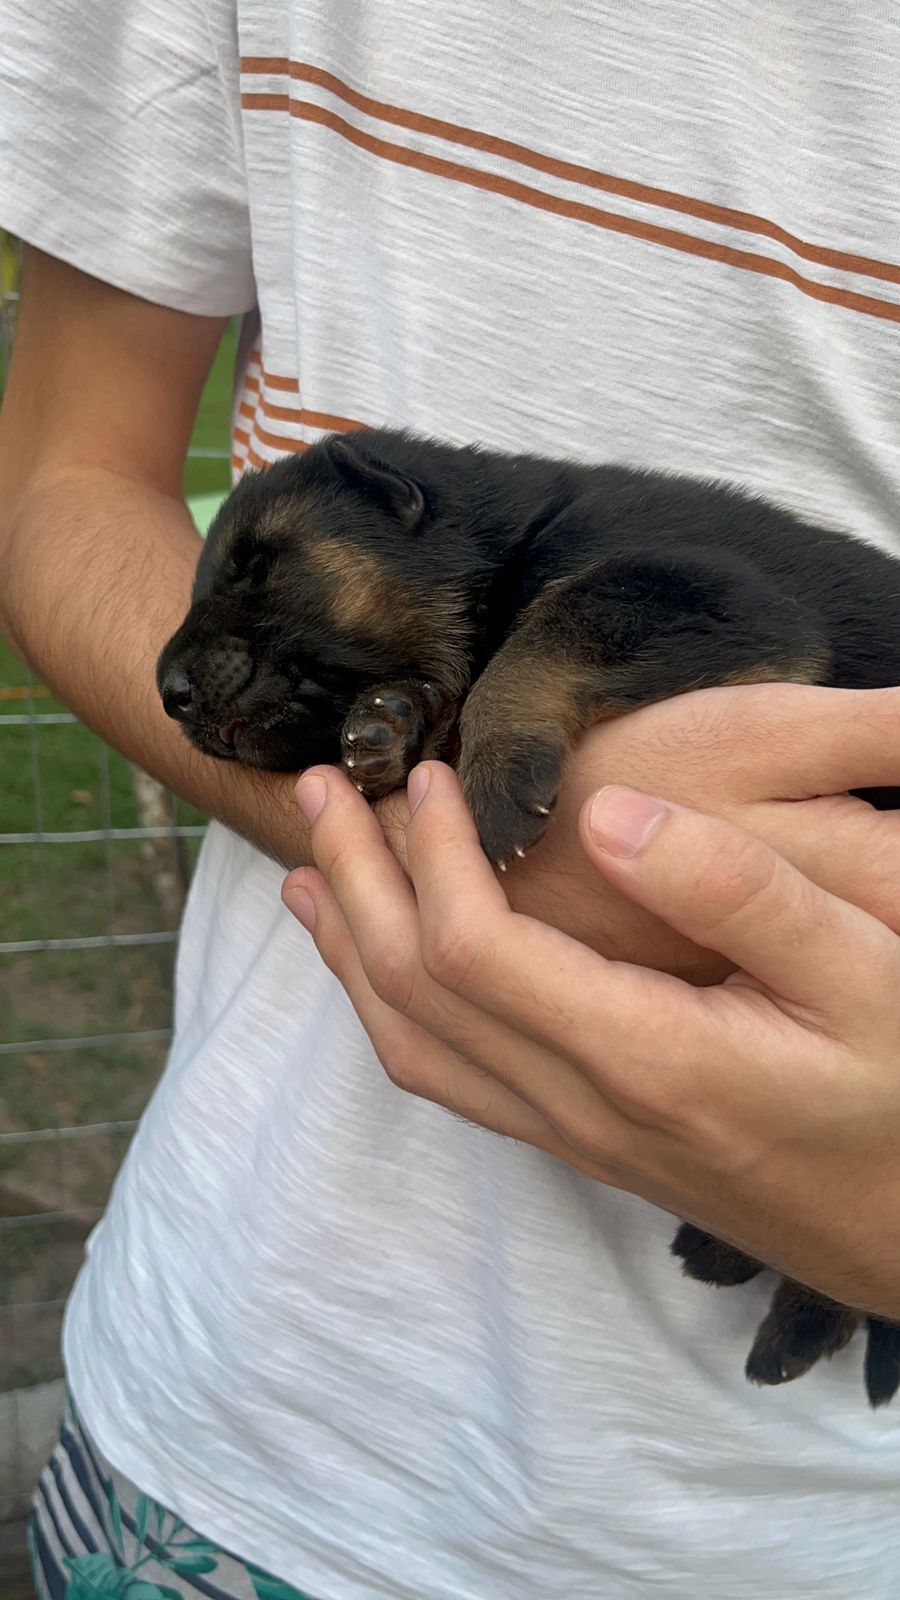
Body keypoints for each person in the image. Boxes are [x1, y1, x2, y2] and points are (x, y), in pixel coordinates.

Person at [1, 3, 900, 1597]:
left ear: (406, 510)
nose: (194, 660)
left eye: (260, 567)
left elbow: (737, 624)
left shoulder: (581, 569)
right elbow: (72, 466)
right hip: (239, 1410)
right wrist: (426, 837)